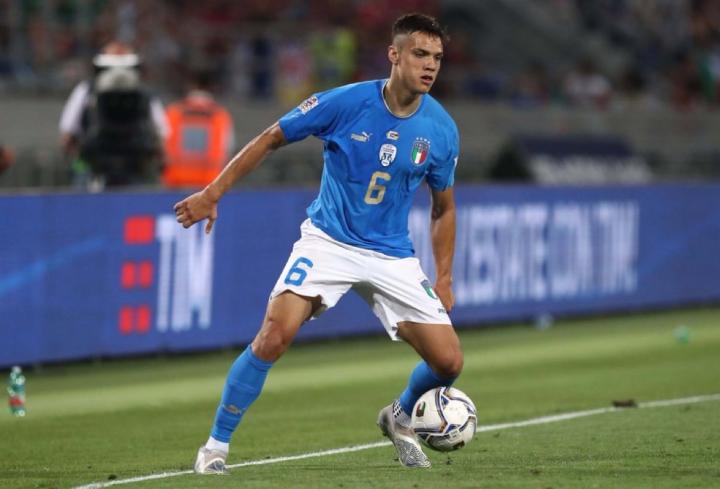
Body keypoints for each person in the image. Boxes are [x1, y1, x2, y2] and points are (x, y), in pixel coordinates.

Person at [174, 13, 462, 473]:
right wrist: (213, 193)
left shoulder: (442, 129)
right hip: (329, 241)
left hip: (391, 253)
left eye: (438, 58)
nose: (430, 66)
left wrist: (443, 277)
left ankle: (400, 415)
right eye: (420, 54)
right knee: (274, 334)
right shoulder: (346, 103)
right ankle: (215, 447)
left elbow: (443, 208)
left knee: (448, 363)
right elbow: (271, 137)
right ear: (394, 55)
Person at [59, 41, 169, 188]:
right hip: (96, 166)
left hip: (133, 165)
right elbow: (161, 133)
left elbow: (68, 131)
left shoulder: (144, 94)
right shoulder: (87, 90)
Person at [162, 72, 235, 188]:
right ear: (212, 88)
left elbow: (162, 143)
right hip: (209, 184)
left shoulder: (173, 113)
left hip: (176, 181)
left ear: (190, 86)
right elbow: (228, 148)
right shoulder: (220, 116)